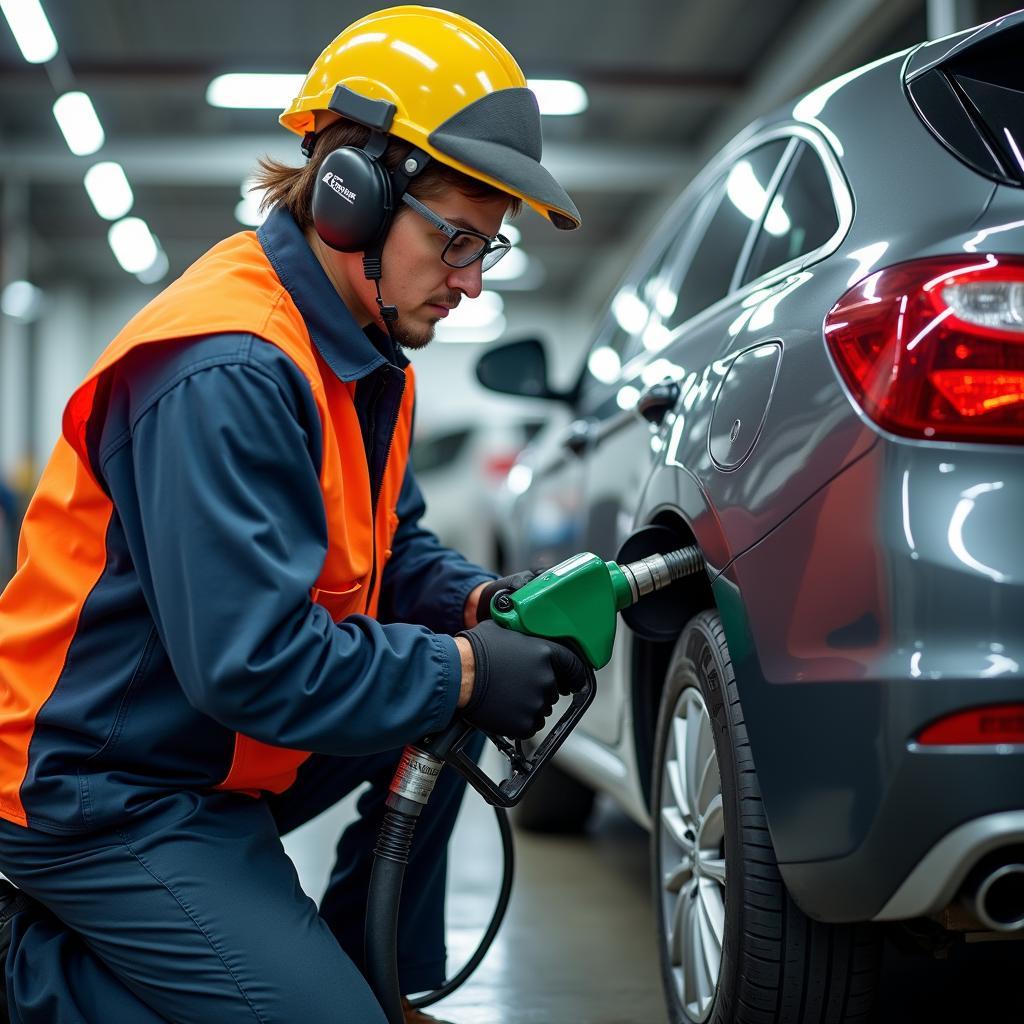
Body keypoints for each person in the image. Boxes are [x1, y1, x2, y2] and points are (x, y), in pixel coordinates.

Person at [0, 8, 586, 1023]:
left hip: (206, 747)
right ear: (349, 192)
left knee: (452, 682)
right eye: (456, 240)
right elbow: (252, 663)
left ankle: (375, 982)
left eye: (484, 250)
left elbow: (391, 549)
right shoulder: (226, 364)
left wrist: (484, 606)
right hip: (98, 783)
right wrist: (463, 668)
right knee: (451, 679)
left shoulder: (365, 356)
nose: (471, 281)